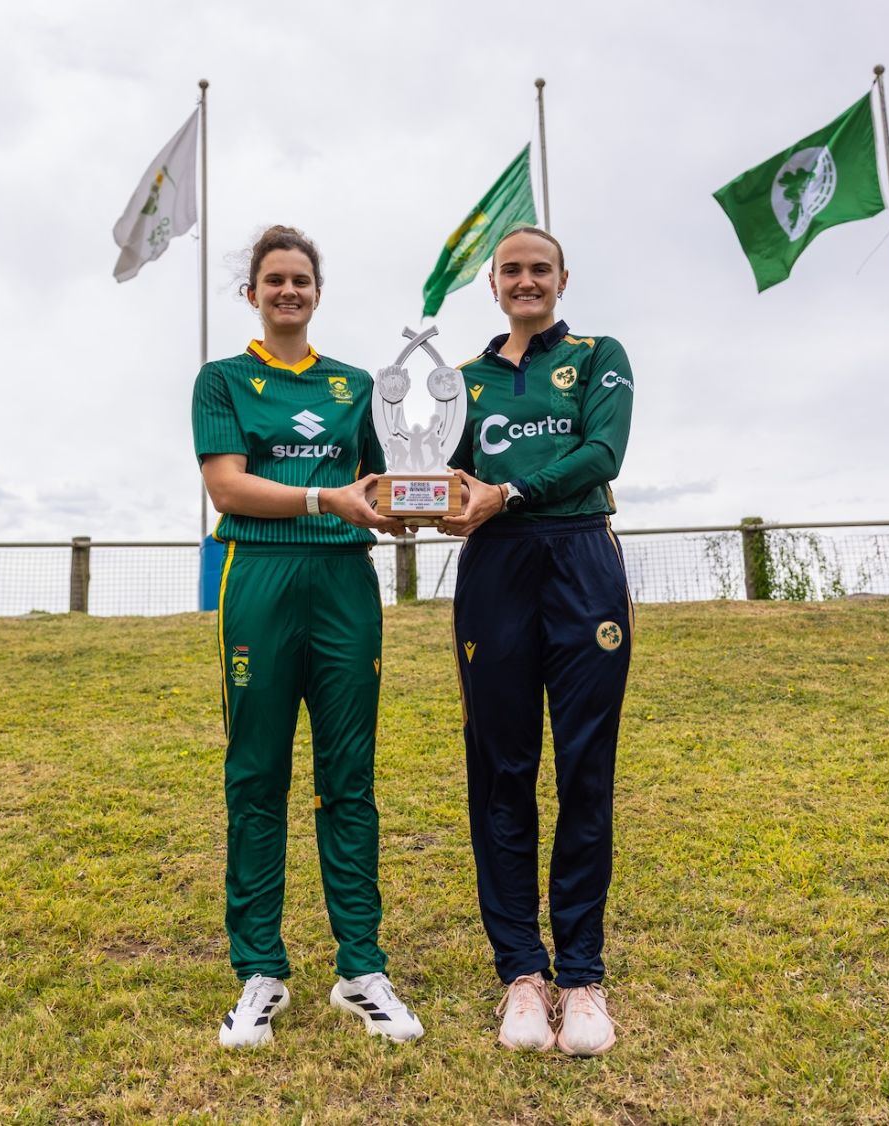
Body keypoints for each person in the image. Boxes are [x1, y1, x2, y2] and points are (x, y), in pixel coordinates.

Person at [191, 225, 424, 1048]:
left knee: (348, 774)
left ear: (318, 293)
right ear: (252, 293)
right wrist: (326, 499)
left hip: (343, 584)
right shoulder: (222, 381)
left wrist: (416, 507)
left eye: (301, 280)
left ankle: (361, 968)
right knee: (257, 774)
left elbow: (380, 486)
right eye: (275, 280)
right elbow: (228, 486)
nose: (288, 291)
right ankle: (260, 971)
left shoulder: (356, 385)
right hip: (258, 576)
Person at [440, 226, 634, 1057]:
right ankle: (521, 971)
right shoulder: (462, 381)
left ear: (562, 279)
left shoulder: (598, 357)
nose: (526, 281)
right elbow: (445, 477)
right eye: (511, 270)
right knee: (502, 770)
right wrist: (416, 499)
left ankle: (582, 976)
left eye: (539, 269)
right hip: (496, 572)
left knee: (585, 768)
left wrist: (510, 491)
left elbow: (602, 453)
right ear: (492, 284)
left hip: (582, 559)